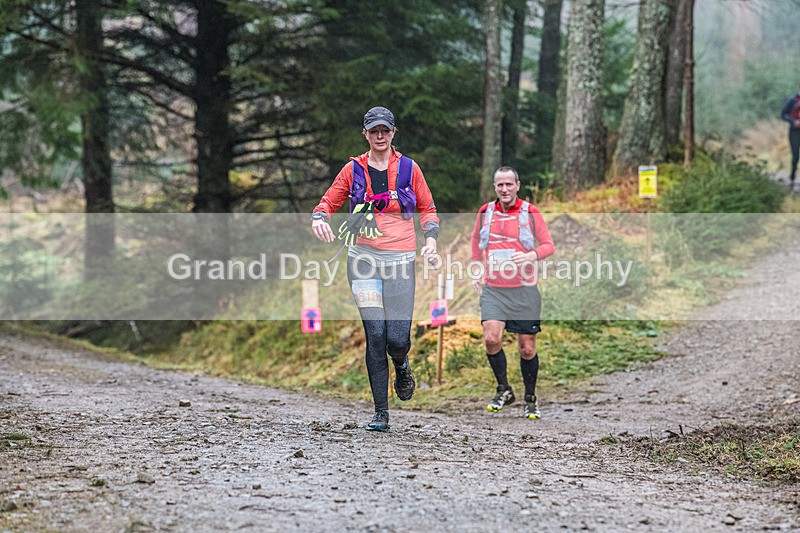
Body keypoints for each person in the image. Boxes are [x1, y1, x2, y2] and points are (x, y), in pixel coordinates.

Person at [311, 106, 439, 432]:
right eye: (374, 131)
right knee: (376, 333)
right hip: (363, 260)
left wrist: (432, 241)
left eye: (385, 130)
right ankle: (381, 412)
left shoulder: (410, 169)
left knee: (397, 339)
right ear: (365, 134)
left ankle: (402, 363)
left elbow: (427, 208)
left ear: (393, 132)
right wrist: (320, 218)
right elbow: (328, 201)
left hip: (400, 260)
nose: (380, 136)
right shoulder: (353, 169)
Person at [470, 166, 554, 419]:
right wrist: (476, 268)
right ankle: (504, 389)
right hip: (494, 289)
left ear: (518, 185)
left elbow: (549, 245)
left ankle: (530, 397)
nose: (504, 189)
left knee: (527, 348)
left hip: (524, 290)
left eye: (509, 184)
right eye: (500, 185)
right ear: (495, 187)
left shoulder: (531, 212)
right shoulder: (486, 212)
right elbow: (475, 241)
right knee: (491, 339)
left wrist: (530, 255)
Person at [781, 87, 800, 190]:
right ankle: (792, 176)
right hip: (795, 131)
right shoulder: (793, 100)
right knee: (796, 155)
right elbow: (783, 114)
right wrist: (793, 121)